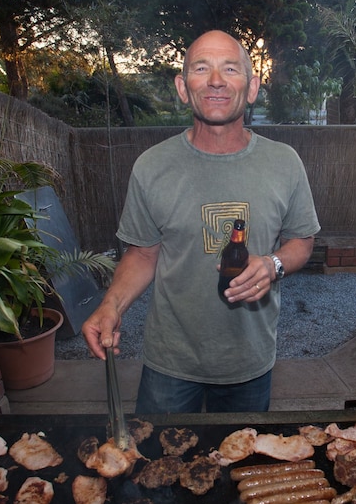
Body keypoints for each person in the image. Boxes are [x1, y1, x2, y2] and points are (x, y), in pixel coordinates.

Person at [82, 30, 320, 413]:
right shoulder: (151, 166)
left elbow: (302, 242)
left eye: (230, 68)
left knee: (241, 468)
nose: (215, 80)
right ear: (182, 87)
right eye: (201, 68)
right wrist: (111, 305)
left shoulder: (284, 162)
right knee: (157, 468)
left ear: (252, 86)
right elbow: (143, 255)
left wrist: (272, 265)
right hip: (170, 362)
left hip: (249, 361)